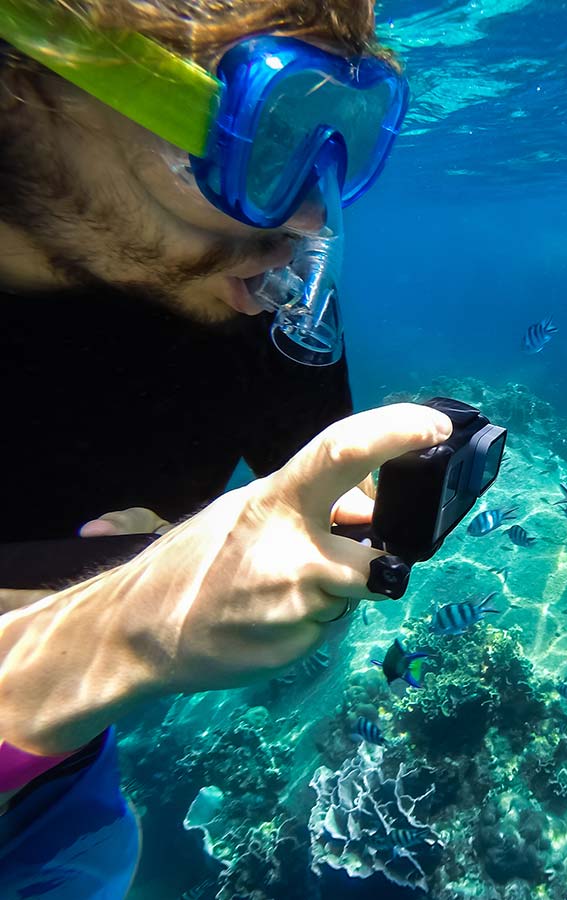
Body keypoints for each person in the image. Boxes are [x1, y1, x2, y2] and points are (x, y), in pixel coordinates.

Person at [0, 1, 444, 894]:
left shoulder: (247, 297)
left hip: (53, 796)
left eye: (342, 134)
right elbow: (149, 608)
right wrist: (121, 625)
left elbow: (313, 524)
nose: (315, 216)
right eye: (265, 130)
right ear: (26, 77)